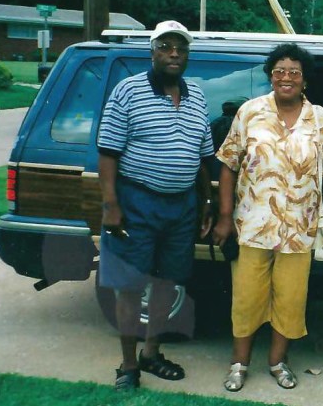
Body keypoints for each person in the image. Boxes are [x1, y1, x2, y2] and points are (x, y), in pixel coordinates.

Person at [213, 43, 323, 392]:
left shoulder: (319, 118)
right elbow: (227, 164)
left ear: (304, 80)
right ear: (271, 76)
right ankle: (239, 364)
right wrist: (224, 215)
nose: (286, 77)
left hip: (300, 227)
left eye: (294, 72)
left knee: (290, 298)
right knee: (247, 297)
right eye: (280, 71)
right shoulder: (250, 112)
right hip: (252, 225)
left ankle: (277, 362)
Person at [97, 20, 214, 391]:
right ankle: (128, 366)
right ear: (153, 50)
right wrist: (111, 205)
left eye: (180, 47)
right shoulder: (128, 91)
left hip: (181, 207)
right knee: (129, 287)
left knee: (166, 285)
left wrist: (206, 201)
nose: (174, 53)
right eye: (166, 46)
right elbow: (108, 152)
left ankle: (152, 353)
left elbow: (201, 156)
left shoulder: (196, 94)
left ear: (188, 54)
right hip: (136, 203)